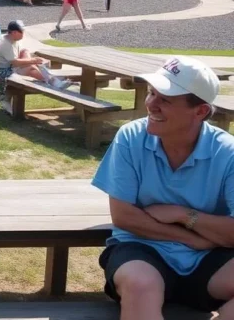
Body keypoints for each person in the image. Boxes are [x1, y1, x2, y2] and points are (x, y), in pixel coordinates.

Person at [91, 56, 234, 319]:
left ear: (200, 111)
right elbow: (124, 217)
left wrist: (183, 215)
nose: (151, 105)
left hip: (211, 258)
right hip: (143, 249)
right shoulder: (131, 137)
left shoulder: (228, 152)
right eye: (151, 93)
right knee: (140, 285)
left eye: (164, 100)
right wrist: (192, 238)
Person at [0, 20, 71, 111]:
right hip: (3, 71)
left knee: (26, 53)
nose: (24, 33)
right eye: (22, 31)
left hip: (12, 66)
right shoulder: (5, 44)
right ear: (14, 32)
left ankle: (52, 80)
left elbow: (21, 53)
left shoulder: (13, 39)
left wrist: (31, 60)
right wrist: (32, 61)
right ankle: (52, 81)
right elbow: (15, 62)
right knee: (30, 67)